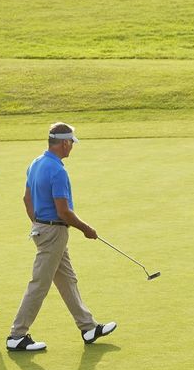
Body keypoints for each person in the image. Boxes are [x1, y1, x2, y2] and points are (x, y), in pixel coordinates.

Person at [6, 122, 116, 352]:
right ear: (64, 143)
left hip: (43, 230)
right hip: (53, 232)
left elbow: (27, 199)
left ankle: (88, 327)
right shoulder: (57, 170)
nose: (71, 148)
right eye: (71, 143)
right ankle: (17, 335)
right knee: (39, 284)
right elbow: (63, 211)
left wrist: (38, 223)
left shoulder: (36, 163)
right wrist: (86, 228)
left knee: (67, 279)